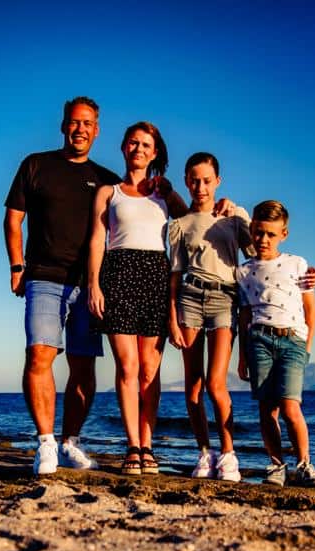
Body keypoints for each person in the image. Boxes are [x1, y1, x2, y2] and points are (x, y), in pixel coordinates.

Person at [86, 123, 237, 476]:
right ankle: (133, 448)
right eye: (134, 143)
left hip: (156, 276)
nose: (139, 149)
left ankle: (149, 446)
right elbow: (97, 240)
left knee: (150, 370)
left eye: (146, 145)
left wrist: (226, 206)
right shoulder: (109, 192)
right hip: (119, 274)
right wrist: (94, 284)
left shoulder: (164, 193)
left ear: (154, 153)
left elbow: (196, 219)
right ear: (124, 148)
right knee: (127, 368)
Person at [3, 97, 122, 475]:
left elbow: (132, 223)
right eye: (74, 122)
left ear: (97, 130)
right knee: (39, 354)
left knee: (83, 367)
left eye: (87, 123)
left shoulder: (107, 180)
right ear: (63, 125)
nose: (80, 129)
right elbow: (13, 218)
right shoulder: (36, 165)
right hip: (44, 277)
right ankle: (45, 444)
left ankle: (69, 441)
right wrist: (17, 266)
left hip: (89, 286)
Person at [168, 152, 251, 482]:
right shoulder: (179, 226)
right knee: (193, 387)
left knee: (217, 384)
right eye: (193, 180)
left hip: (223, 299)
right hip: (189, 299)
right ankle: (205, 452)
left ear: (217, 181)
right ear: (186, 182)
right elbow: (174, 275)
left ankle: (229, 455)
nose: (200, 187)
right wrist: (172, 319)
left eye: (206, 180)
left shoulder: (233, 217)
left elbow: (260, 255)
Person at [236, 200, 315, 487]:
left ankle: (304, 465)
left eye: (271, 234)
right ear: (252, 230)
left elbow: (310, 309)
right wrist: (241, 357)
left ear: (283, 234)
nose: (263, 239)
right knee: (267, 409)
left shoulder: (297, 264)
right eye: (259, 232)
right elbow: (245, 316)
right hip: (259, 340)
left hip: (292, 342)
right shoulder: (243, 271)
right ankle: (277, 466)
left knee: (290, 407)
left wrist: (307, 346)